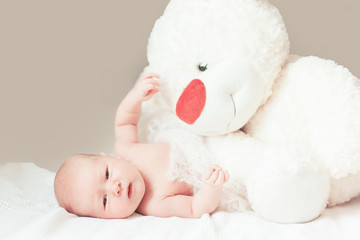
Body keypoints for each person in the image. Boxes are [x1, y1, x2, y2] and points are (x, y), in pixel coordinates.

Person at [54, 73, 229, 219]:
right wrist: (211, 187)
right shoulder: (154, 205)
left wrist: (136, 96)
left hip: (192, 129)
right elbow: (195, 208)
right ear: (103, 219)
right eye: (105, 200)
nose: (115, 187)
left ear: (105, 157)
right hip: (211, 159)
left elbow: (125, 121)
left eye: (107, 174)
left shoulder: (126, 150)